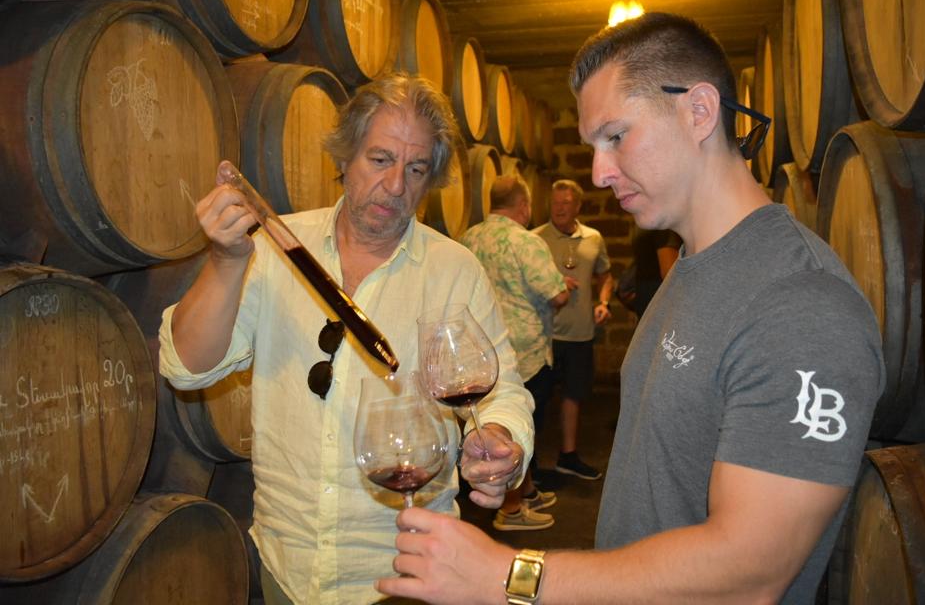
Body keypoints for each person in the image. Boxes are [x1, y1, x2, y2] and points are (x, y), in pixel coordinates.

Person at [376, 13, 883, 604]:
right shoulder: (693, 266)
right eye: (594, 146)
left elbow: (749, 573)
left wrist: (511, 576)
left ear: (699, 111)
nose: (599, 173)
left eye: (616, 137)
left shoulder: (802, 305)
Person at [157, 72, 534, 605]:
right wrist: (225, 260)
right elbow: (187, 367)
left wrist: (500, 438)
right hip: (288, 565)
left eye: (416, 168)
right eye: (380, 159)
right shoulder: (276, 247)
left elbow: (503, 392)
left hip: (409, 567)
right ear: (345, 157)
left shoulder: (454, 269)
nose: (396, 185)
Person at [460, 174, 572, 531]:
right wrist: (564, 286)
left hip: (478, 350)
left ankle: (528, 491)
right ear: (523, 206)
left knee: (489, 425)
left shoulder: (467, 238)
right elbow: (557, 295)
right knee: (516, 429)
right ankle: (511, 509)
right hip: (524, 352)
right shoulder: (527, 241)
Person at [533, 179, 614, 481]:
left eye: (566, 203)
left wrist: (604, 302)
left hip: (580, 332)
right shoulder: (535, 238)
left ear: (578, 206)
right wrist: (553, 285)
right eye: (555, 203)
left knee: (574, 394)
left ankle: (567, 456)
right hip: (544, 334)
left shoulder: (594, 238)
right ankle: (530, 464)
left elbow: (605, 275)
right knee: (537, 400)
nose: (559, 208)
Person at [615, 228, 680, 317]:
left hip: (650, 308)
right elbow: (672, 277)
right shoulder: (664, 227)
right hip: (663, 310)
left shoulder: (645, 225)